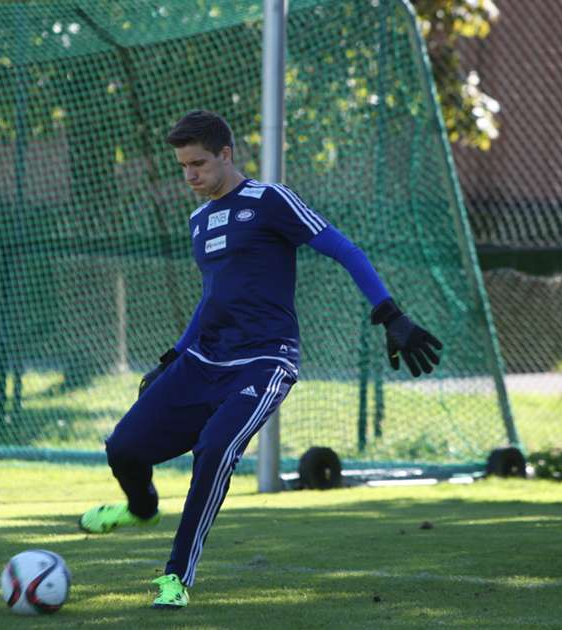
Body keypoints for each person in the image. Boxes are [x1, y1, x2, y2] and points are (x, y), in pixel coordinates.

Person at [76, 110, 443, 608]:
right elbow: (214, 297)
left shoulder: (270, 200)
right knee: (122, 448)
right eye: (183, 166)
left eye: (199, 163)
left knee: (214, 451)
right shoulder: (198, 219)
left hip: (265, 361)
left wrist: (390, 313)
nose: (190, 176)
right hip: (202, 360)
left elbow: (344, 248)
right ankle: (142, 509)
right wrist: (173, 357)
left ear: (227, 155)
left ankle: (176, 578)